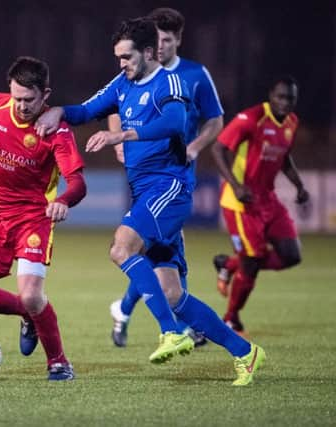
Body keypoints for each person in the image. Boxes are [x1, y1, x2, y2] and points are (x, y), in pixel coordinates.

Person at [36, 18, 265, 386]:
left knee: (121, 247)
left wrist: (122, 135)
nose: (121, 64)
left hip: (169, 188)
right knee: (173, 293)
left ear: (147, 52)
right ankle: (245, 352)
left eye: (127, 57)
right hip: (146, 193)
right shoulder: (122, 83)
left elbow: (174, 122)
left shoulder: (169, 83)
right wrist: (60, 111)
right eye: (118, 58)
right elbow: (87, 109)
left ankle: (170, 333)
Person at [0, 56, 86, 381]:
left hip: (32, 219)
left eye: (29, 100)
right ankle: (29, 315)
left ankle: (58, 362)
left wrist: (64, 201)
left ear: (46, 94)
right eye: (16, 98)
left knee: (31, 293)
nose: (22, 107)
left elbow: (78, 184)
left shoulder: (57, 132)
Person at [107, 7, 224, 349]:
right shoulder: (136, 73)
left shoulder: (195, 74)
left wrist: (195, 147)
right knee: (154, 244)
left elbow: (215, 120)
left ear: (178, 40)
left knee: (151, 245)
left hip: (177, 169)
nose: (159, 46)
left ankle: (129, 309)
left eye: (166, 40)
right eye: (155, 39)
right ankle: (178, 321)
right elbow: (114, 104)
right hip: (149, 171)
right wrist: (118, 137)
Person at [211, 75, 309, 337]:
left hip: (268, 199)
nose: (285, 102)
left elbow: (285, 157)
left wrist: (299, 185)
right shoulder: (251, 118)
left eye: (291, 98)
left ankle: (229, 265)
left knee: (291, 255)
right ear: (270, 96)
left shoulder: (291, 123)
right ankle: (230, 320)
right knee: (252, 261)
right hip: (240, 202)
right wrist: (235, 184)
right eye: (281, 97)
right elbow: (218, 149)